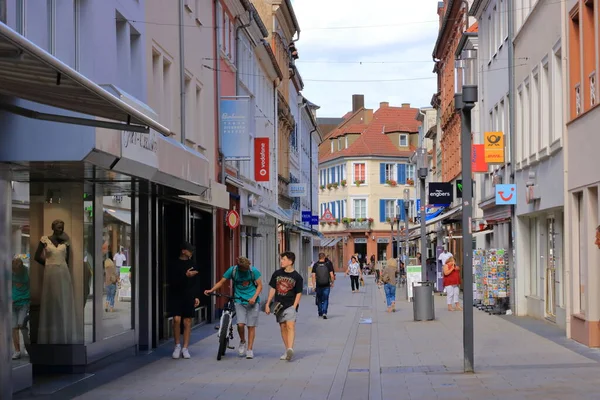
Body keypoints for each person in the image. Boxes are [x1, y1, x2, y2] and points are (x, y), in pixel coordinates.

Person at [204, 257, 262, 359]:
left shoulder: (254, 271)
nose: (246, 271)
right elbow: (222, 282)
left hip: (252, 301)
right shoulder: (233, 271)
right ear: (239, 268)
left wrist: (254, 297)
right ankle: (243, 341)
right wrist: (211, 290)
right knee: (240, 324)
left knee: (251, 326)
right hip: (239, 300)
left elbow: (260, 286)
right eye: (244, 270)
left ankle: (249, 349)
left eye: (247, 269)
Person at [265, 252, 303, 361]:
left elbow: (299, 293)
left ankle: (290, 348)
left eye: (284, 259)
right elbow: (272, 289)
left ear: (290, 261)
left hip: (290, 305)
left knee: (290, 326)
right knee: (283, 327)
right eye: (281, 259)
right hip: (278, 305)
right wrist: (268, 304)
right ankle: (287, 350)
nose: (281, 261)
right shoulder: (277, 274)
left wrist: (294, 306)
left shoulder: (297, 277)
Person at [169, 242, 201, 359]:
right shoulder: (174, 264)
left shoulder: (193, 264)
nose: (191, 252)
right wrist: (186, 276)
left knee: (187, 321)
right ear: (183, 251)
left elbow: (196, 281)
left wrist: (197, 296)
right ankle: (177, 345)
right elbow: (173, 281)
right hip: (176, 294)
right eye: (189, 250)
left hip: (189, 295)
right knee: (176, 320)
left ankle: (185, 347)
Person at [12, 258, 30, 360]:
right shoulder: (11, 272)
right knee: (13, 328)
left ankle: (27, 347)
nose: (15, 272)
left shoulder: (27, 272)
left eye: (16, 270)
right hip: (13, 303)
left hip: (24, 302)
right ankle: (17, 350)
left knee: (22, 326)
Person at [311, 253, 335, 319]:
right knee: (326, 299)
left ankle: (320, 312)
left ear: (318, 257)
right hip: (326, 285)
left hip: (318, 285)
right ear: (324, 257)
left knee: (319, 299)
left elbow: (313, 276)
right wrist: (332, 282)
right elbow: (332, 275)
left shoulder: (315, 265)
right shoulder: (328, 264)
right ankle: (324, 312)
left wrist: (313, 286)